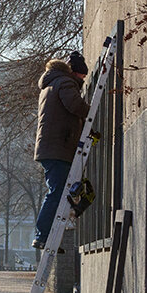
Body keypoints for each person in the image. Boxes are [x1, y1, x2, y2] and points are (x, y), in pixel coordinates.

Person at [32, 50, 90, 251]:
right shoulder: (65, 83)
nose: (83, 79)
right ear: (74, 73)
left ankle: (48, 236)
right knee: (57, 192)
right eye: (82, 76)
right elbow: (74, 105)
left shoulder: (51, 84)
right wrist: (90, 112)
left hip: (52, 147)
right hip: (58, 147)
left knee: (60, 191)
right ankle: (43, 236)